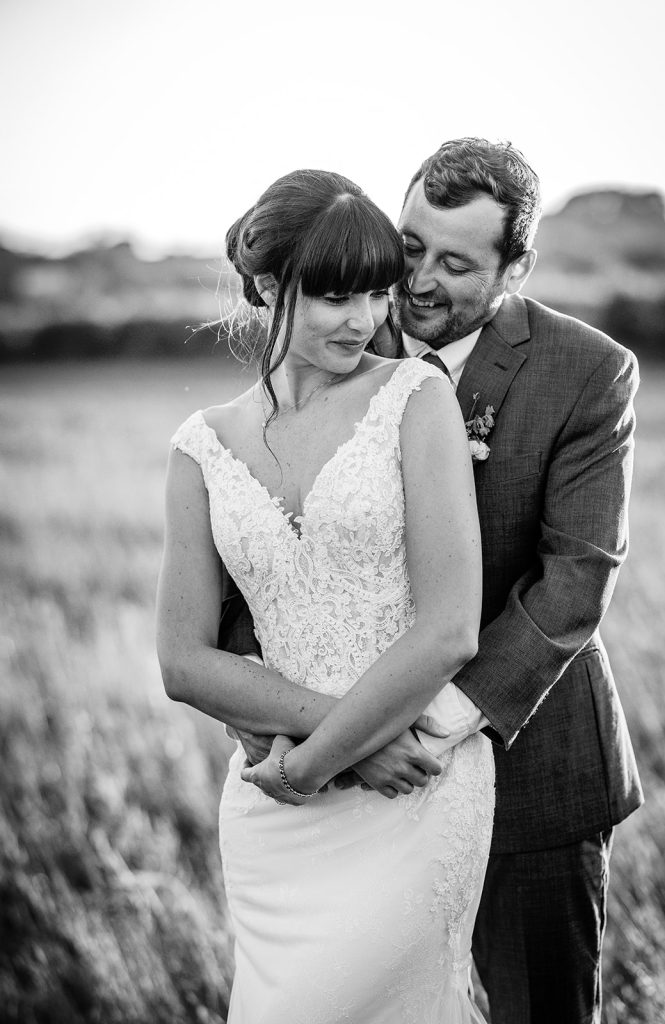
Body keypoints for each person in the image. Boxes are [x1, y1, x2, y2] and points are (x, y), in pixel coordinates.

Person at [225, 140, 644, 1024]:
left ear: (515, 267)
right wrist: (338, 737)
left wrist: (425, 725)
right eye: (410, 246)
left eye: (456, 264)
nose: (416, 280)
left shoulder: (586, 372)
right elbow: (246, 571)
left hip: (531, 765)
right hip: (351, 790)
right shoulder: (332, 332)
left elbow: (575, 580)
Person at [156, 168, 495, 1024]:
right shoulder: (199, 448)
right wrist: (333, 743)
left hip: (408, 791)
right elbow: (184, 659)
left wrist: (319, 759)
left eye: (376, 294)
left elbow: (450, 630)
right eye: (335, 297)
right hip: (273, 816)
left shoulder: (414, 401)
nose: (366, 320)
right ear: (270, 287)